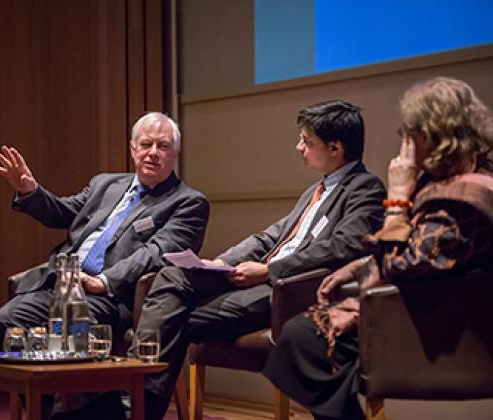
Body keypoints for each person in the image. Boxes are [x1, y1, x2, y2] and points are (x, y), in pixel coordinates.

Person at [133, 100, 387, 420]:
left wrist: (269, 270)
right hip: (260, 280)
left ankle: (137, 408)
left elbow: (344, 247)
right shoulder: (315, 191)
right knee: (171, 277)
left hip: (287, 289)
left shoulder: (365, 189)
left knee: (171, 320)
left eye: (306, 141)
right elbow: (269, 238)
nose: (299, 147)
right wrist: (220, 262)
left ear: (336, 148)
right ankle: (137, 405)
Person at [263, 77, 493, 420]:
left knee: (303, 338)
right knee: (303, 335)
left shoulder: (464, 195)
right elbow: (416, 253)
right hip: (421, 306)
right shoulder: (455, 177)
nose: (405, 142)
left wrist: (398, 198)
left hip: (437, 326)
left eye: (409, 132)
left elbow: (407, 264)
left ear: (432, 134)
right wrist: (361, 266)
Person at [0, 112, 209, 356]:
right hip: (62, 286)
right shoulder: (105, 184)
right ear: (133, 148)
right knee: (5, 322)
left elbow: (156, 253)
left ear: (175, 153)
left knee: (72, 334)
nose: (153, 152)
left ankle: (75, 394)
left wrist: (103, 282)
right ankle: (41, 395)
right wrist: (30, 190)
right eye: (146, 144)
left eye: (163, 146)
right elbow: (62, 212)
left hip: (112, 297)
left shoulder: (187, 202)